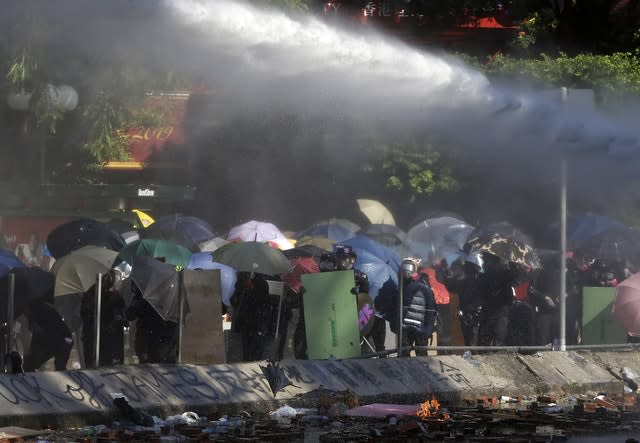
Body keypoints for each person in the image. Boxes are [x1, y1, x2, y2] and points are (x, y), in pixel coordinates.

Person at [81, 270, 128, 367]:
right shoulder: (94, 294)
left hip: (111, 341)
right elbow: (86, 315)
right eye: (117, 282)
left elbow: (123, 316)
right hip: (99, 339)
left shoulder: (116, 296)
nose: (118, 285)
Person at [126, 281, 178, 364]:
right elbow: (130, 315)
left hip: (154, 339)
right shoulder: (142, 298)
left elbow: (130, 315)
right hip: (150, 339)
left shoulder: (147, 298)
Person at [399, 259, 437, 357]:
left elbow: (431, 309)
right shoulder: (401, 285)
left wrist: (428, 328)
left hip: (420, 326)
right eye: (404, 268)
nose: (406, 271)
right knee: (404, 354)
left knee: (421, 354)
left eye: (408, 268)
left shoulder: (423, 286)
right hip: (405, 326)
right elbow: (399, 307)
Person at [22, 300, 73, 372]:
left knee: (60, 364)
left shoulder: (43, 313)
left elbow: (40, 336)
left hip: (61, 340)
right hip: (56, 340)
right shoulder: (36, 316)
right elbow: (37, 337)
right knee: (30, 363)